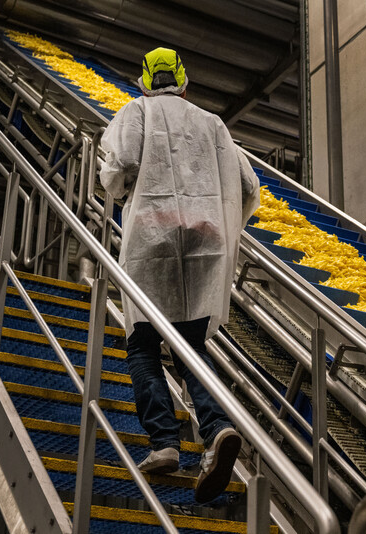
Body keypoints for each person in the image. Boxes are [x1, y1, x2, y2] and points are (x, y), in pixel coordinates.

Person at [99, 47, 260, 503]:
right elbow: (248, 187)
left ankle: (165, 443)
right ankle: (217, 429)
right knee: (189, 343)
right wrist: (224, 223)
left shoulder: (136, 111)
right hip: (204, 241)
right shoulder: (214, 124)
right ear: (185, 83)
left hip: (152, 239)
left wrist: (119, 190)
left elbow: (121, 168)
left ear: (145, 81)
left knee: (144, 341)